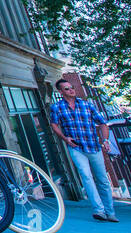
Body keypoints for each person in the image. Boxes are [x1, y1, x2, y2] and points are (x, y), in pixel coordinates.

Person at [49, 78, 117, 222]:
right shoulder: (57, 107)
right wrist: (65, 138)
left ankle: (110, 212)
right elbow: (54, 125)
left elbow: (103, 123)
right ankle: (99, 210)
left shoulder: (87, 105)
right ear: (61, 92)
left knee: (102, 179)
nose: (71, 90)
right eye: (67, 89)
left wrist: (105, 140)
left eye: (71, 87)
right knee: (86, 176)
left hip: (94, 146)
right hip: (76, 147)